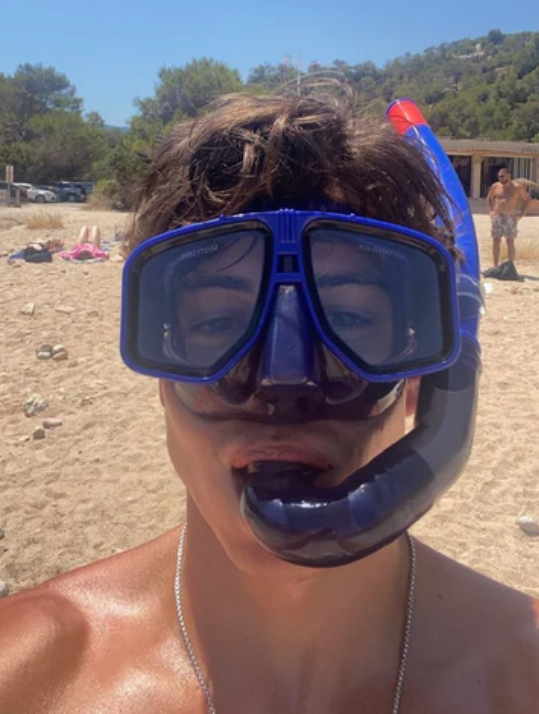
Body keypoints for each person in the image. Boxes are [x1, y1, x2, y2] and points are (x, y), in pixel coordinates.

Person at [0, 92, 538, 714]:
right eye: (217, 322)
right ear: (162, 376)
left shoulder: (522, 674)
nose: (284, 383)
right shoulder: (29, 679)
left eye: (349, 318)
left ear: (421, 379)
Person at [486, 167, 530, 267]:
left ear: (509, 176)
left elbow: (527, 199)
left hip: (510, 217)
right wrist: (491, 211)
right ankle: (495, 265)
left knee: (510, 241)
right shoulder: (496, 186)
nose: (500, 178)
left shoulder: (517, 187)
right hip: (498, 216)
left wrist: (522, 213)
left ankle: (510, 265)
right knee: (496, 240)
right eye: (499, 176)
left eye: (502, 176)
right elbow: (489, 198)